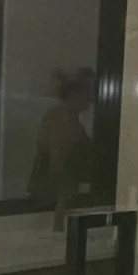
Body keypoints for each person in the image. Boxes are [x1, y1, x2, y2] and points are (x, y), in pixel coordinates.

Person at [28, 65, 96, 227]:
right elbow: (56, 158)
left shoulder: (68, 119)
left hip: (63, 191)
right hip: (58, 193)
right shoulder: (62, 119)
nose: (91, 98)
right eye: (87, 93)